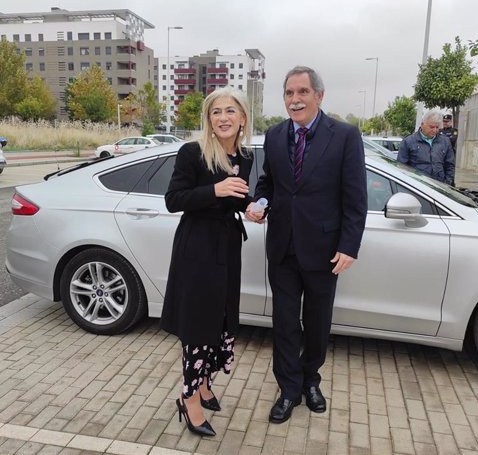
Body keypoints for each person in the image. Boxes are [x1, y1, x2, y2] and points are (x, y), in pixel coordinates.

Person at [245, 66, 367, 424]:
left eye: (302, 92)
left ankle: (311, 380)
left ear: (319, 96)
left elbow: (355, 197)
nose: (294, 100)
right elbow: (269, 183)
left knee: (317, 322)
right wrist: (260, 203)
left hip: (325, 250)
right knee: (284, 323)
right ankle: (288, 388)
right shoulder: (275, 135)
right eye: (288, 93)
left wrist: (349, 245)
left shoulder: (344, 136)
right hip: (282, 247)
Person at [161, 86, 254, 437]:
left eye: (231, 111)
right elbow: (174, 199)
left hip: (227, 247)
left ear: (243, 118)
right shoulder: (193, 153)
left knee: (221, 319)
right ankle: (189, 400)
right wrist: (214, 190)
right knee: (199, 326)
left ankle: (202, 384)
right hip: (197, 249)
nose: (224, 118)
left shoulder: (244, 156)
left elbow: (237, 196)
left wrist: (251, 207)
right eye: (217, 112)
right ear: (208, 119)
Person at [397, 110, 455, 185]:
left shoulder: (445, 141)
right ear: (422, 124)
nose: (435, 130)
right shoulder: (408, 142)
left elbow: (450, 165)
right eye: (431, 127)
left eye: (437, 127)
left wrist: (447, 183)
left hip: (440, 187)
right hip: (418, 187)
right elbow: (401, 167)